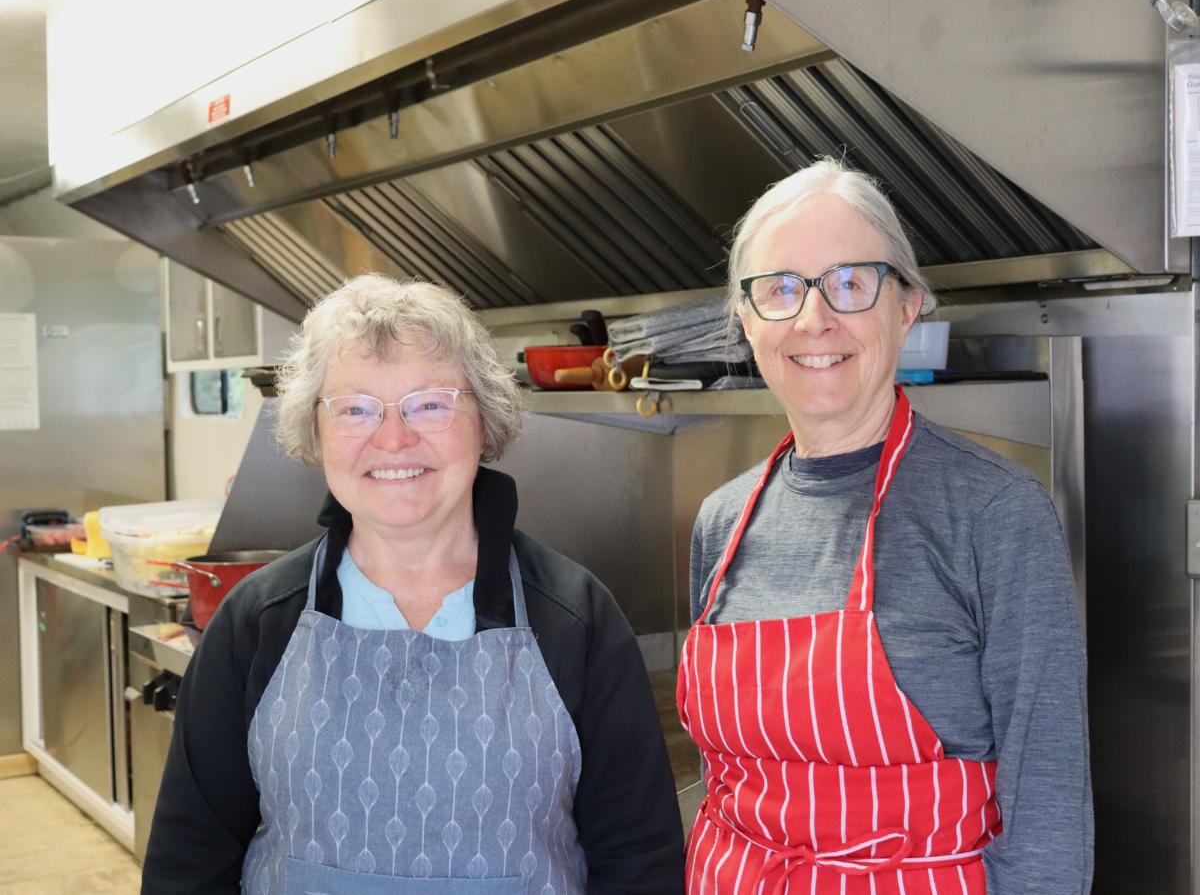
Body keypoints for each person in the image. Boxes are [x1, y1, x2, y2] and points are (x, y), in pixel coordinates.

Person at [142, 275, 684, 894]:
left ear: (484, 418)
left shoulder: (574, 616)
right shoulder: (258, 620)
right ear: (315, 433)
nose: (393, 438)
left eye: (430, 403)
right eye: (355, 408)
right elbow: (189, 860)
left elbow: (638, 859)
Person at [678, 159, 1091, 894]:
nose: (814, 319)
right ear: (746, 322)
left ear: (908, 306)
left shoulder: (994, 511)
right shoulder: (721, 520)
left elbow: (1048, 801)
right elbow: (724, 777)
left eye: (850, 282)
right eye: (780, 289)